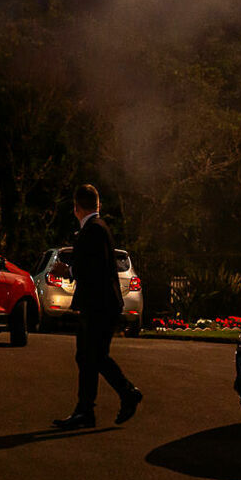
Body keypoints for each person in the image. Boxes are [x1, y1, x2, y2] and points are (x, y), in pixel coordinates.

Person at [52, 184, 141, 430]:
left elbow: (95, 268)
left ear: (76, 207)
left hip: (99, 305)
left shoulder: (93, 231)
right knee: (87, 356)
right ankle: (86, 410)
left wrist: (68, 270)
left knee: (93, 355)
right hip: (101, 304)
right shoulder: (97, 229)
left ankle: (125, 393)